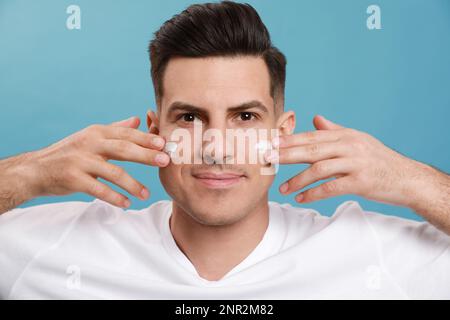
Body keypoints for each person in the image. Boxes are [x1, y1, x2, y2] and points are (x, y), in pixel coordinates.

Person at [0, 1, 449, 299]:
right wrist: (26, 174)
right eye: (190, 118)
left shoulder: (372, 256)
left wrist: (411, 180)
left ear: (283, 131)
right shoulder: (52, 248)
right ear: (156, 129)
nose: (215, 148)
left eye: (246, 118)